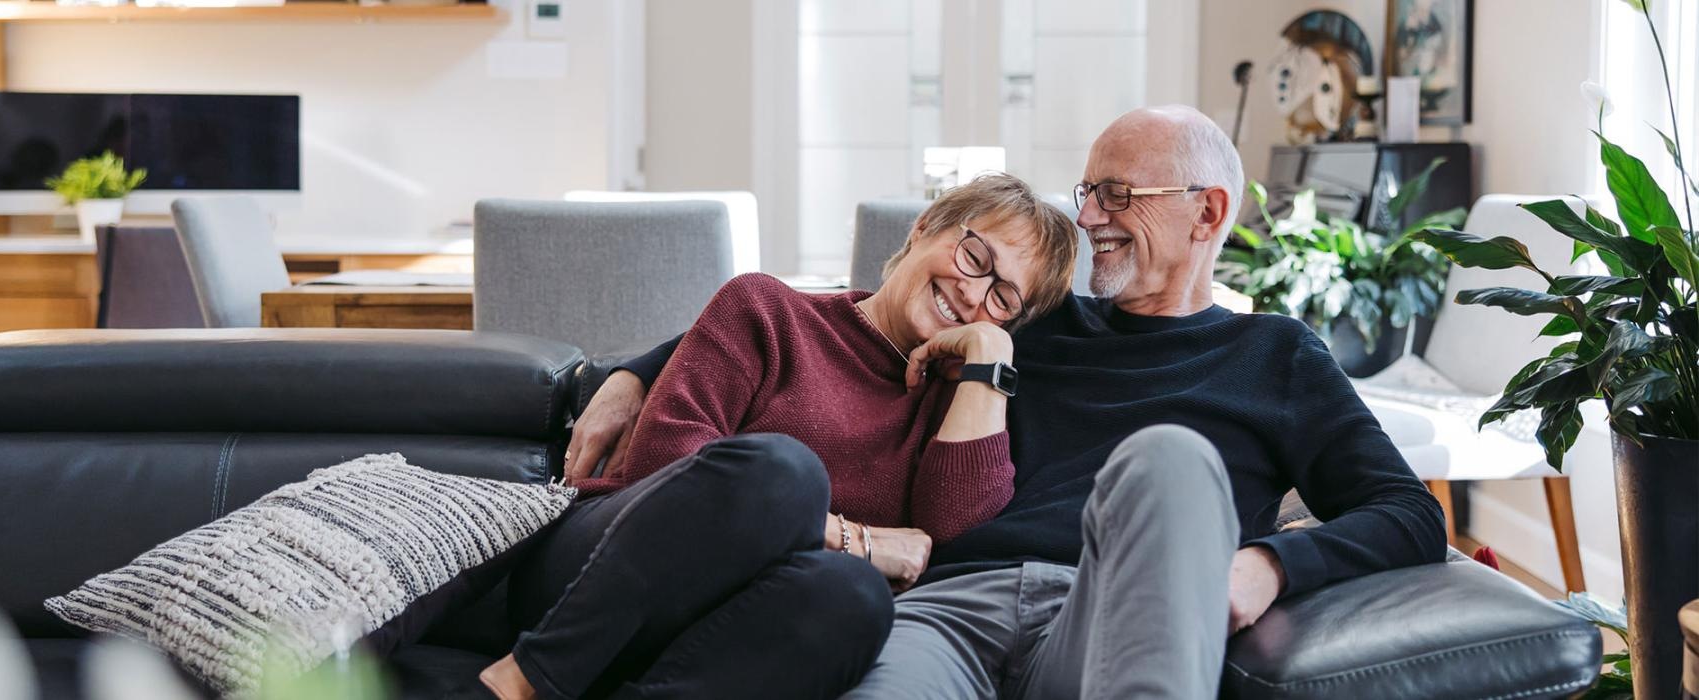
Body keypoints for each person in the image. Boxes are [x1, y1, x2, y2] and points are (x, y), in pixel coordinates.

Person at [572, 105, 1447, 698]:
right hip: (944, 607)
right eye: (1089, 191)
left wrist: (1270, 565)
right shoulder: (1025, 316)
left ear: (1207, 212)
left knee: (1172, 457)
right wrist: (633, 369)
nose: (1092, 215)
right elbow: (840, 320)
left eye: (1120, 196)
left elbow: (1407, 512)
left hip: (1108, 608)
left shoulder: (1277, 356)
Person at [478, 173, 1080, 699]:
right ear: (925, 228)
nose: (974, 293)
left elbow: (947, 542)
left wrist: (988, 355)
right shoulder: (767, 309)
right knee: (780, 472)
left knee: (853, 600)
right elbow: (665, 468)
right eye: (975, 256)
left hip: (735, 625)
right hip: (605, 569)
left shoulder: (959, 406)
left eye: (1003, 298)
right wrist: (858, 540)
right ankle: (528, 678)